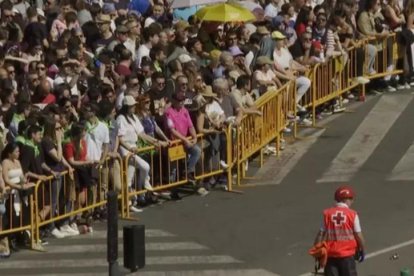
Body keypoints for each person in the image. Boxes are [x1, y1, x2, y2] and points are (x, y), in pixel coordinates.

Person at [313, 186, 365, 275]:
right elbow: (358, 235)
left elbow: (320, 234)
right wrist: (362, 249)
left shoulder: (328, 214)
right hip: (347, 256)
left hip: (331, 256)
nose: (352, 201)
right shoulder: (352, 214)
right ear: (346, 199)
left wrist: (317, 251)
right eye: (351, 199)